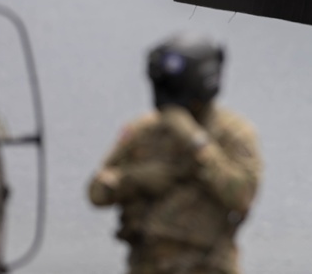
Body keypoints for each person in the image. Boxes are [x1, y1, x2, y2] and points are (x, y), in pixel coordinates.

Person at [87, 33, 261, 274]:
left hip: (209, 265)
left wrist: (195, 142)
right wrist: (136, 179)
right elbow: (96, 191)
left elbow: (242, 195)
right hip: (147, 265)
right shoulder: (144, 131)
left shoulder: (232, 133)